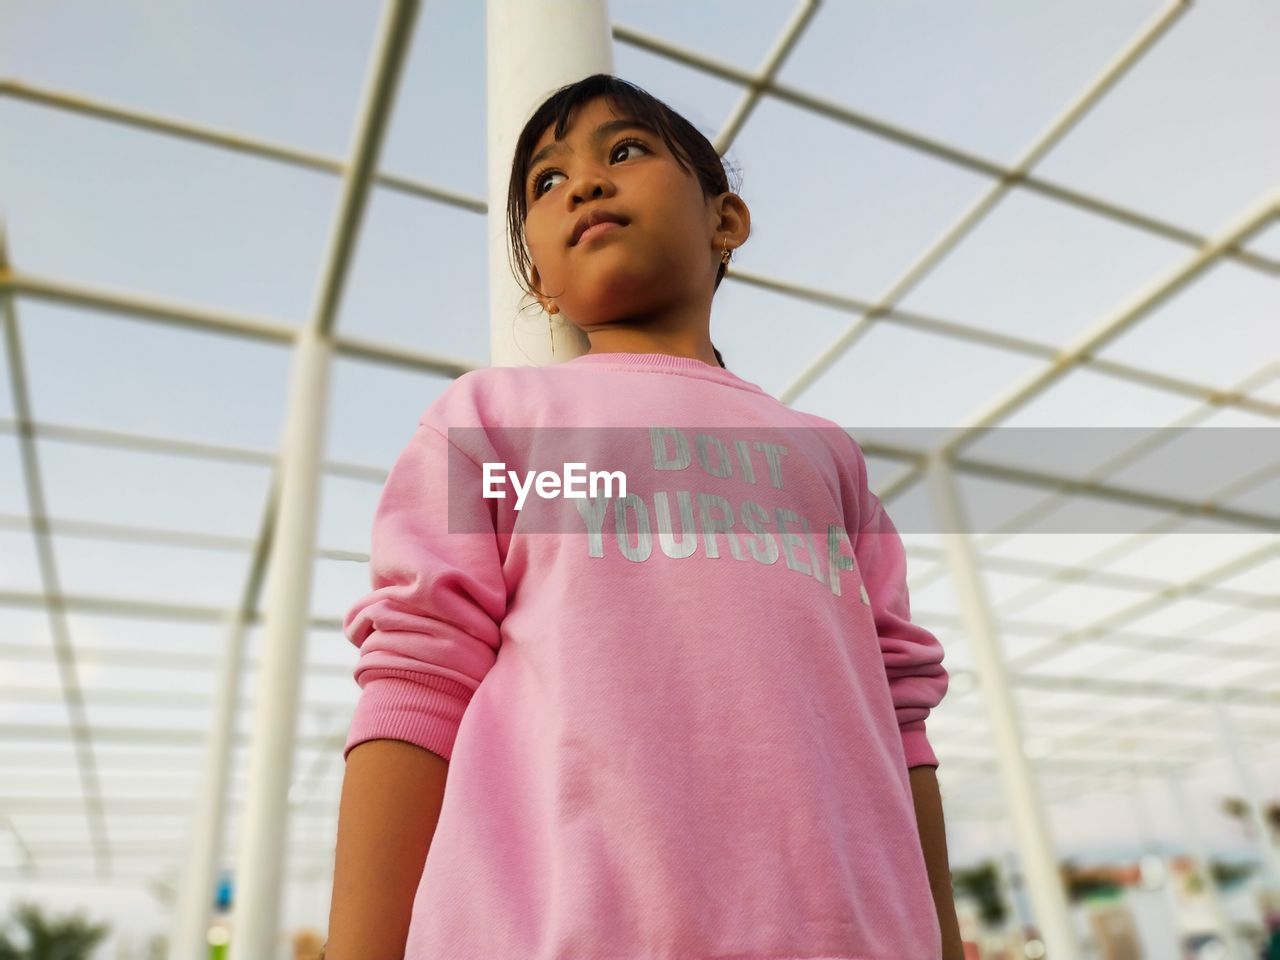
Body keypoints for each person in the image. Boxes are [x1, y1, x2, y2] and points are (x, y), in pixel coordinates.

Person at [325, 73, 963, 960]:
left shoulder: (827, 456)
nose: (583, 182)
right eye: (545, 183)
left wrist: (940, 938)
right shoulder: (494, 420)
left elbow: (900, 709)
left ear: (725, 221)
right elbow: (417, 676)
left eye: (624, 152)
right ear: (541, 286)